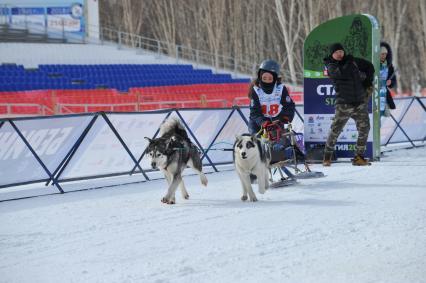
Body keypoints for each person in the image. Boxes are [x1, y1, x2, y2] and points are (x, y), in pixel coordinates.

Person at [323, 43, 375, 166]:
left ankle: (359, 157)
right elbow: (343, 73)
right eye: (336, 53)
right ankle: (326, 157)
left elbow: (369, 66)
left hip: (359, 103)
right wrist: (352, 64)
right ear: (332, 54)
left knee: (365, 128)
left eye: (341, 51)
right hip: (344, 104)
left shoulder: (351, 61)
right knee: (336, 130)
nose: (339, 54)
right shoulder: (330, 65)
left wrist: (367, 81)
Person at [248, 59, 296, 179]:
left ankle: (282, 161)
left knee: (280, 141)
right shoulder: (255, 90)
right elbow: (254, 112)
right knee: (257, 143)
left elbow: (289, 106)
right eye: (264, 78)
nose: (267, 80)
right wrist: (263, 123)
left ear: (275, 78)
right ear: (260, 76)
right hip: (258, 123)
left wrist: (283, 118)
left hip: (275, 122)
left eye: (270, 78)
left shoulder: (281, 89)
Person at [379, 42, 396, 116]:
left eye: (385, 54)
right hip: (374, 94)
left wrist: (390, 82)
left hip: (384, 95)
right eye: (382, 54)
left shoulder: (389, 65)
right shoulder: (372, 64)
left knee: (382, 116)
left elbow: (393, 81)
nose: (384, 56)